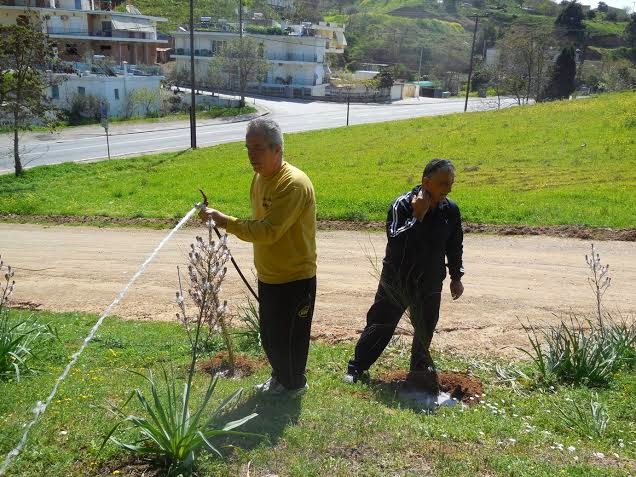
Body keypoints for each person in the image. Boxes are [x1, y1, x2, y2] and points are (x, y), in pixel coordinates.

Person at [199, 118, 317, 395]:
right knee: (271, 336)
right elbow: (259, 223)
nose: (252, 155)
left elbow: (269, 231)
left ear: (277, 149)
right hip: (269, 273)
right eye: (247, 148)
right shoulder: (260, 178)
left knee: (291, 338)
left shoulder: (293, 184)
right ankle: (281, 378)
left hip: (295, 276)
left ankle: (294, 385)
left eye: (258, 148)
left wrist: (225, 221)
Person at [345, 159, 464, 384]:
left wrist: (456, 277)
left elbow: (454, 244)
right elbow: (397, 241)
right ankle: (357, 368)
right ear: (426, 182)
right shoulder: (402, 205)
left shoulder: (450, 210)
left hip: (430, 280)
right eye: (443, 184)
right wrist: (418, 216)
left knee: (425, 327)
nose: (448, 189)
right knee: (381, 324)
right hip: (397, 280)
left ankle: (418, 373)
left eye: (451, 184)